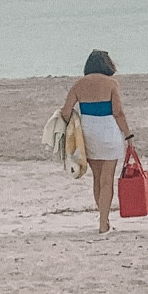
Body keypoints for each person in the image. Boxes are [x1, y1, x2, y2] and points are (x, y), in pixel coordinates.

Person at [58, 50, 136, 235]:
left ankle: (104, 220)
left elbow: (66, 111)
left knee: (97, 178)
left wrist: (72, 128)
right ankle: (103, 223)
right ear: (107, 64)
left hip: (88, 131)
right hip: (108, 130)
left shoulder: (79, 84)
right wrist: (128, 135)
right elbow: (118, 112)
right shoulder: (111, 83)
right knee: (107, 180)